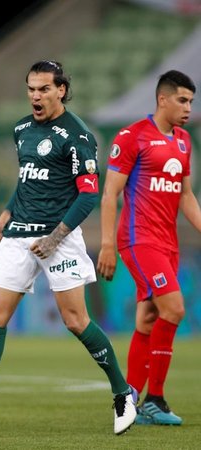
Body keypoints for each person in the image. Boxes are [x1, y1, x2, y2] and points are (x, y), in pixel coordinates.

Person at [0, 60, 137, 435]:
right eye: (31, 89)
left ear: (61, 90)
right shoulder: (22, 129)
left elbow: (88, 195)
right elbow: (26, 182)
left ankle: (123, 392)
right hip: (18, 236)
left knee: (75, 320)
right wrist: (3, 218)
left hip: (59, 238)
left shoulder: (78, 135)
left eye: (43, 89)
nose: (35, 96)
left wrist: (55, 237)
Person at [97, 70, 199, 426]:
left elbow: (186, 196)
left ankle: (130, 399)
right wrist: (107, 243)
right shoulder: (132, 137)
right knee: (174, 309)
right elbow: (109, 193)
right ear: (162, 99)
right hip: (139, 240)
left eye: (191, 101)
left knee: (149, 318)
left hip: (167, 243)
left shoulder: (184, 141)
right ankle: (154, 399)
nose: (188, 107)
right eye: (182, 100)